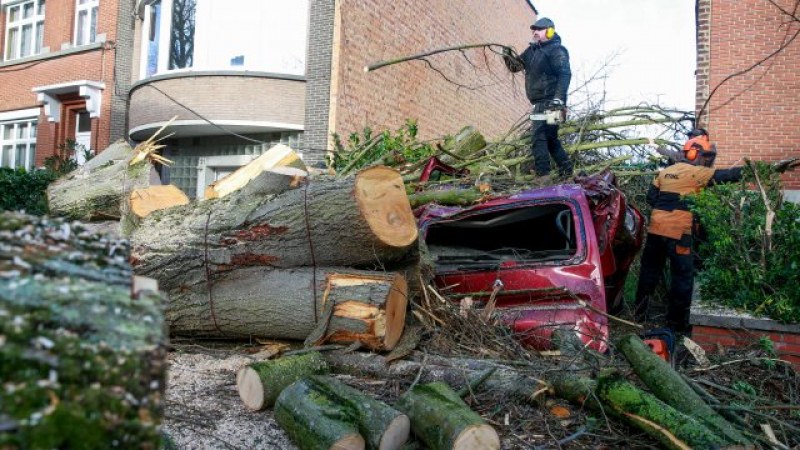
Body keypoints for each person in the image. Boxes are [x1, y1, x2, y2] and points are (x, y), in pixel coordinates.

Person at [634, 129, 742, 333]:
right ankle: (676, 325)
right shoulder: (698, 173)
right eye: (705, 157)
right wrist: (761, 169)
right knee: (682, 277)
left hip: (656, 229)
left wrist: (666, 209)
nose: (706, 160)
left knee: (649, 272)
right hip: (678, 233)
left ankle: (639, 314)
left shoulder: (665, 172)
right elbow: (729, 175)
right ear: (696, 155)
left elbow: (651, 197)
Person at [503, 17, 573, 178]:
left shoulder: (557, 50)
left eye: (539, 29)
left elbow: (565, 74)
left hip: (551, 103)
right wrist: (507, 56)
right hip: (540, 104)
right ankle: (567, 171)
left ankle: (543, 176)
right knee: (550, 139)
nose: (535, 32)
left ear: (550, 31)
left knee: (539, 137)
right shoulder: (532, 51)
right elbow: (515, 66)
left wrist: (559, 100)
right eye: (534, 29)